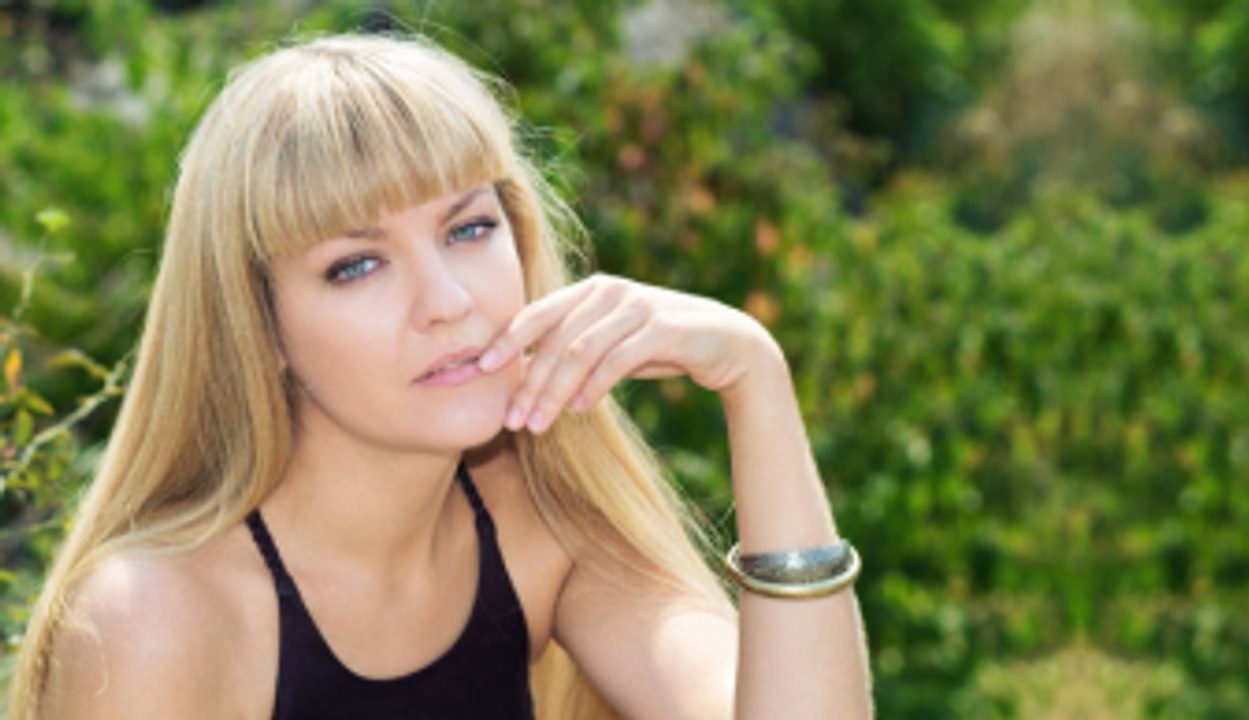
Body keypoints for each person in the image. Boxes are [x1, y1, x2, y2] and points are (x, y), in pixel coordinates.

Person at [7, 32, 871, 719]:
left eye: (468, 229)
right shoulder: (155, 618)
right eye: (356, 265)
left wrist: (755, 375)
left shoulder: (539, 528)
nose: (448, 302)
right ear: (259, 327)